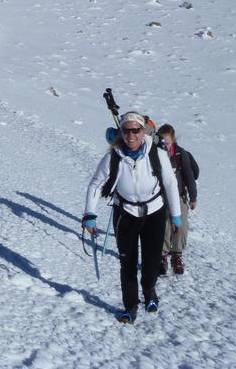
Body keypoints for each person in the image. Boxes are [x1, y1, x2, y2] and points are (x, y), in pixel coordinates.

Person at [82, 111, 182, 323]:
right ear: (121, 132)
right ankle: (130, 306)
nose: (131, 135)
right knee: (127, 263)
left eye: (135, 130)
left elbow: (171, 184)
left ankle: (149, 292)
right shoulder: (113, 157)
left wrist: (176, 216)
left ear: (142, 131)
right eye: (126, 130)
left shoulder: (157, 154)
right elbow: (96, 184)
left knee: (151, 260)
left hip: (154, 213)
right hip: (125, 214)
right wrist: (90, 214)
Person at [156, 123, 198, 275]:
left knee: (181, 226)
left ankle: (177, 256)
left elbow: (189, 176)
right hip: (160, 198)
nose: (165, 145)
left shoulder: (180, 155)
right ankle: (162, 256)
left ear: (173, 140)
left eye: (167, 142)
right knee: (164, 226)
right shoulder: (156, 153)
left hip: (179, 196)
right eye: (162, 142)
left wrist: (193, 197)